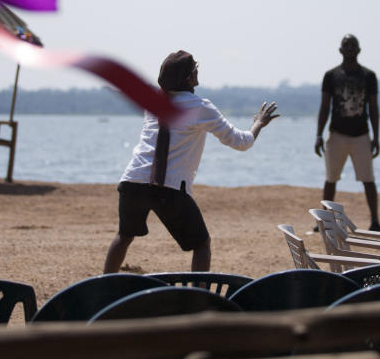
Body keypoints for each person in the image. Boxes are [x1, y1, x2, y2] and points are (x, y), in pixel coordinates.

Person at [104, 51, 279, 273]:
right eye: (195, 69)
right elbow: (240, 142)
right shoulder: (200, 107)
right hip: (169, 188)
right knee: (201, 244)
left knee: (124, 236)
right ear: (188, 78)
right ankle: (198, 298)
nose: (198, 72)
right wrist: (258, 124)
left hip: (132, 181)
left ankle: (103, 287)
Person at [314, 34, 380, 231]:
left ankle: (375, 221)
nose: (350, 48)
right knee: (331, 179)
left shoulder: (369, 76)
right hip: (337, 134)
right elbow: (325, 106)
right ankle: (325, 220)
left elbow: (374, 108)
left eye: (353, 45)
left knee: (368, 180)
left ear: (359, 50)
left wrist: (376, 137)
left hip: (361, 135)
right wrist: (318, 134)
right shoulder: (331, 76)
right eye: (346, 45)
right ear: (340, 50)